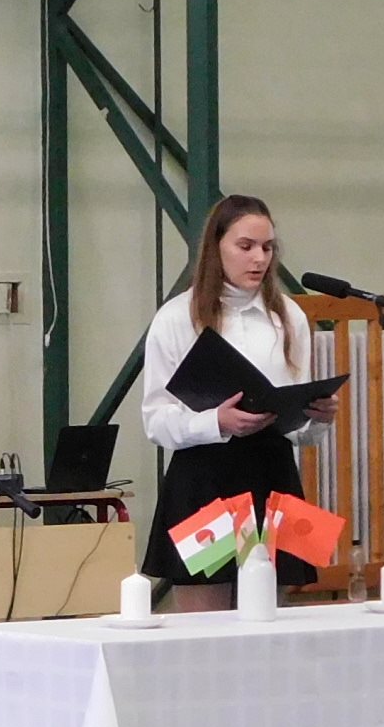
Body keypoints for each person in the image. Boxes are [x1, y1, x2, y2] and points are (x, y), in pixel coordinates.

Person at [140, 193, 328, 613]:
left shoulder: (289, 317)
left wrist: (316, 417)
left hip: (273, 474)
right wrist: (216, 422)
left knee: (267, 621)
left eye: (267, 248)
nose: (258, 259)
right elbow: (155, 420)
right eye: (245, 246)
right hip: (205, 479)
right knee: (204, 628)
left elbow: (300, 427)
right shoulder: (177, 318)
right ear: (216, 247)